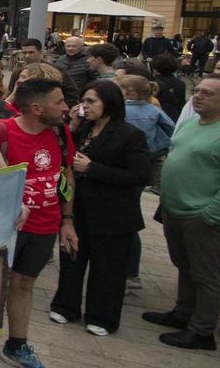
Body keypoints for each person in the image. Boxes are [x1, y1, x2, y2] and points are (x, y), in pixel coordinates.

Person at [0, 78, 77, 368]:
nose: (65, 108)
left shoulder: (61, 133)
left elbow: (67, 176)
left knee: (25, 284)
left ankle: (17, 344)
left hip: (46, 225)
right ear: (36, 107)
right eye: (58, 102)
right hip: (2, 227)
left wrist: (67, 220)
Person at [48, 81, 149, 336]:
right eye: (83, 101)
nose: (85, 106)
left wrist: (93, 168)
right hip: (78, 207)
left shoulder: (129, 135)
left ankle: (102, 316)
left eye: (91, 101)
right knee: (72, 258)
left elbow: (139, 175)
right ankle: (66, 305)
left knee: (108, 267)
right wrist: (70, 128)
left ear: (109, 103)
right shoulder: (82, 130)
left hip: (112, 212)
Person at [143, 74, 220, 350]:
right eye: (198, 90)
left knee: (207, 274)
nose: (198, 96)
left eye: (208, 93)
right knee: (185, 265)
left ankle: (202, 330)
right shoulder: (194, 123)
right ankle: (183, 313)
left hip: (202, 214)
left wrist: (213, 214)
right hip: (177, 210)